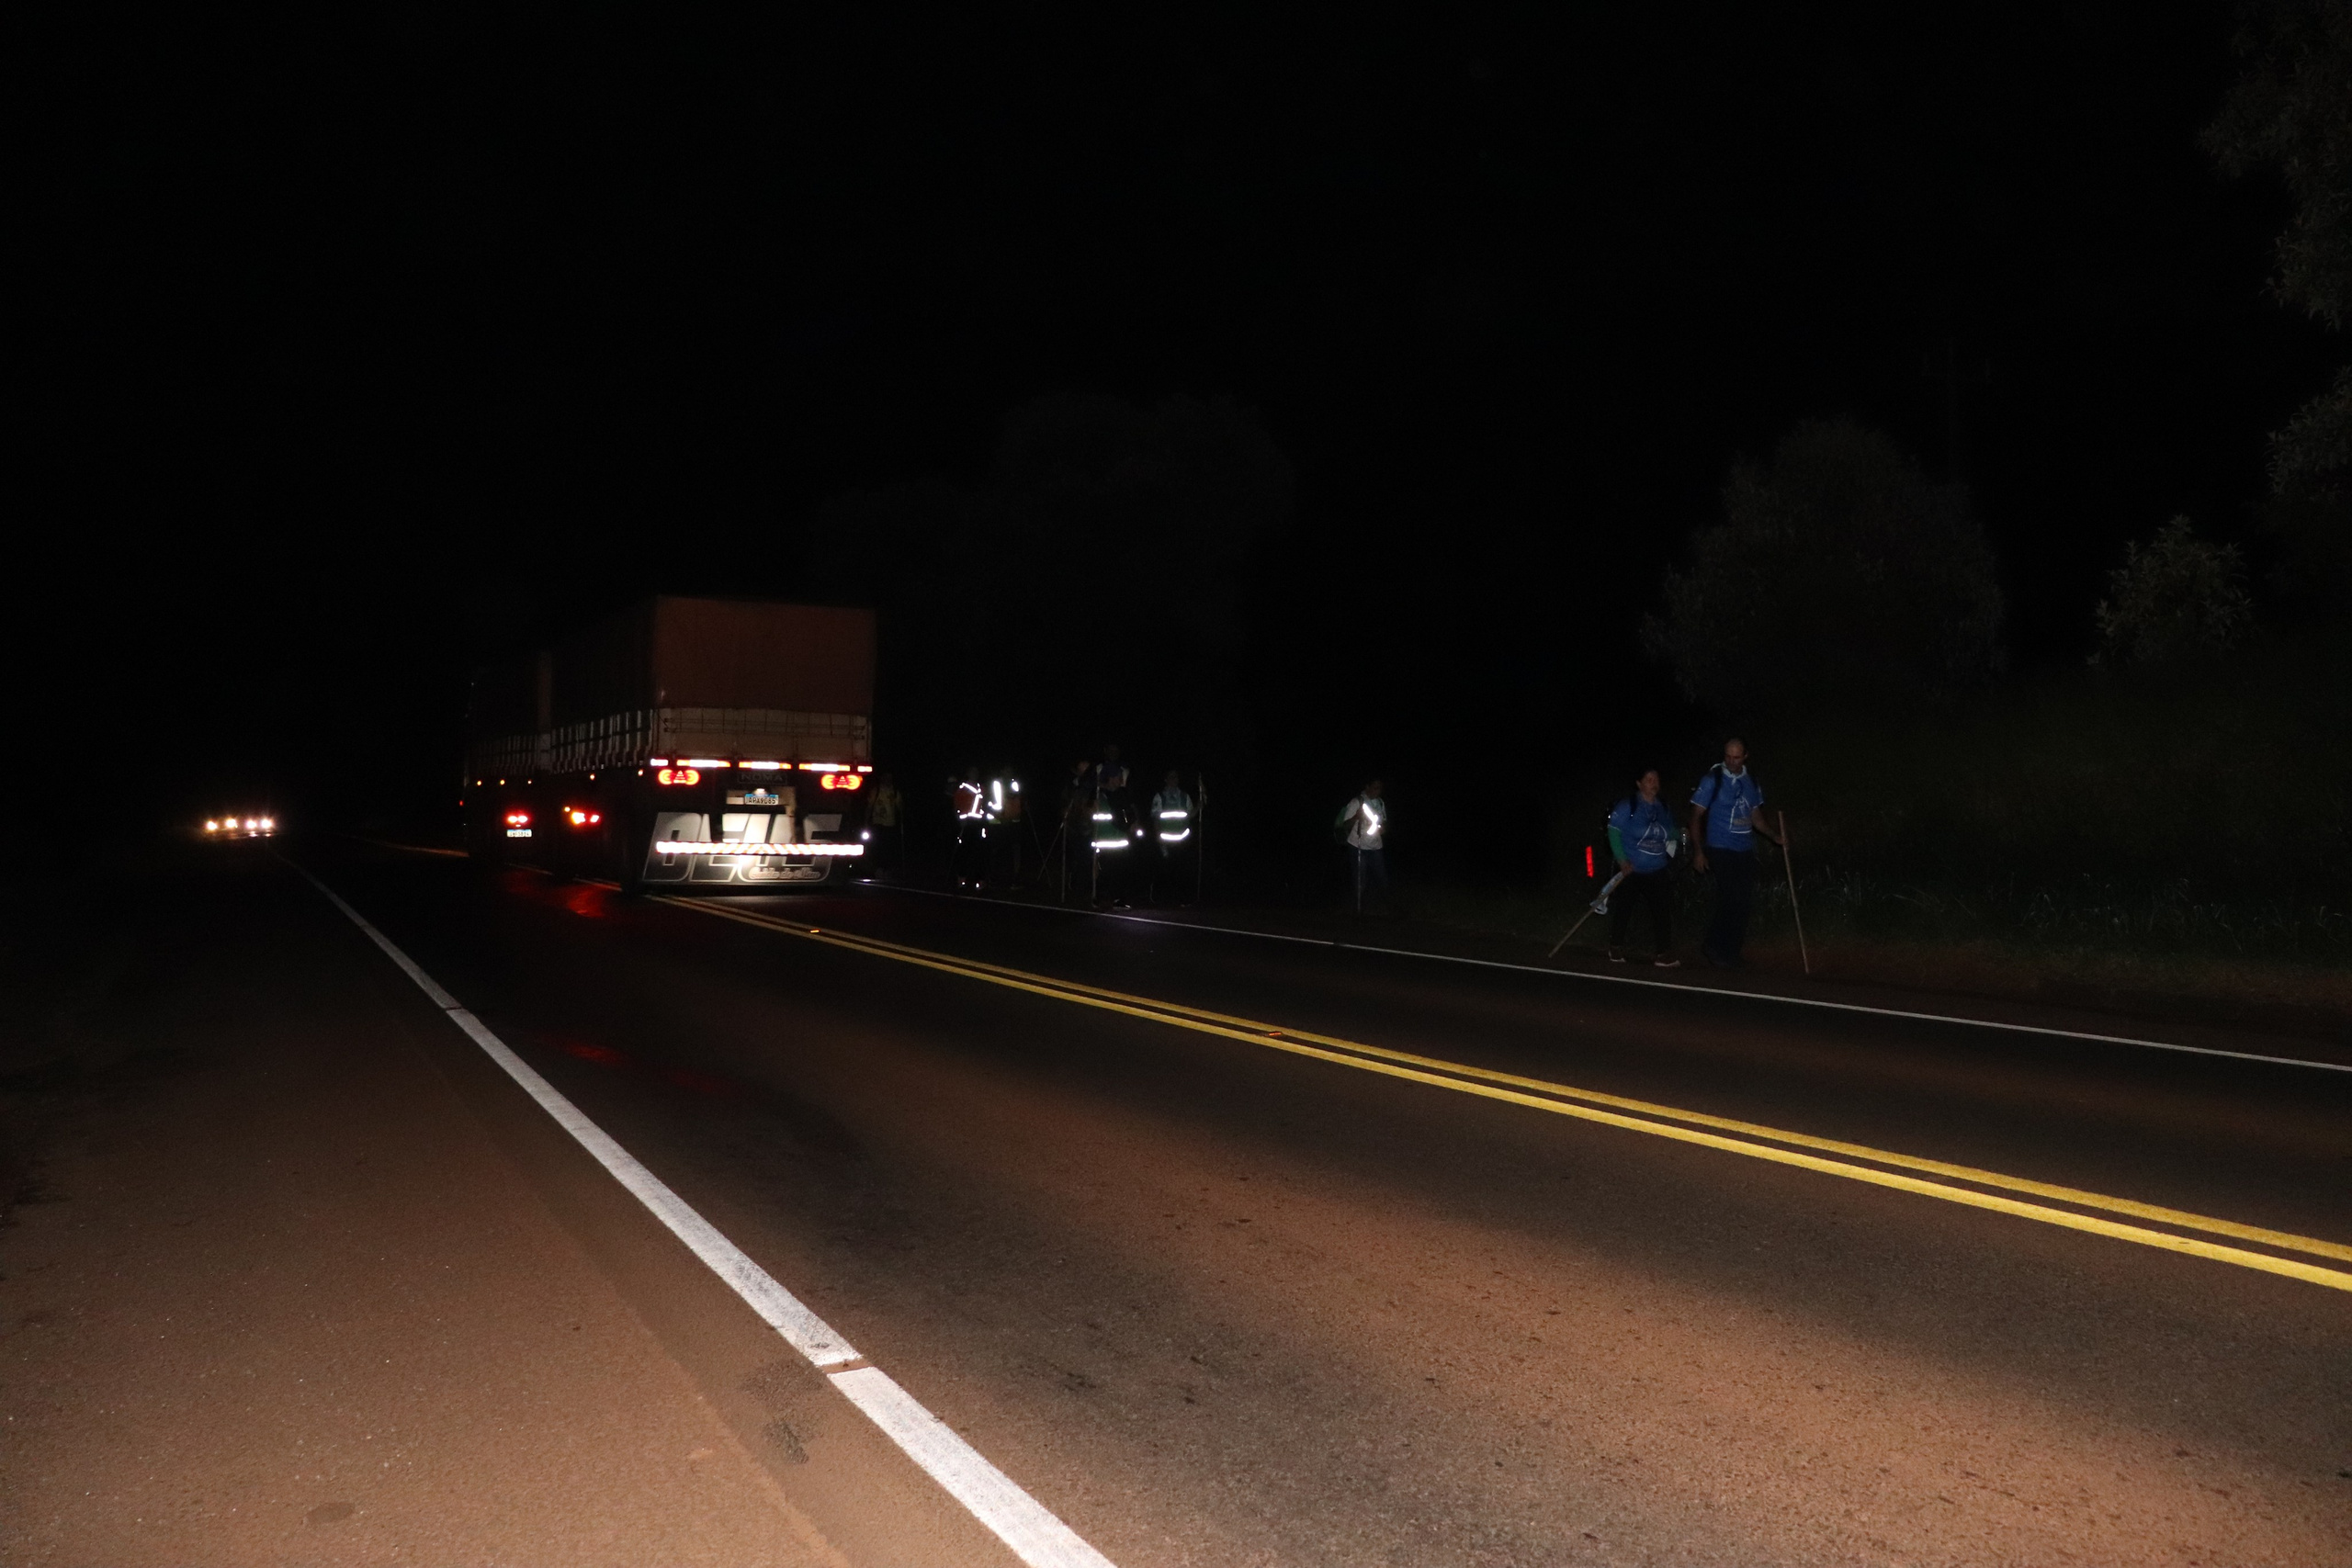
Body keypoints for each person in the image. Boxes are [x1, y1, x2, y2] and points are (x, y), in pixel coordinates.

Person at [1690, 737, 1781, 966]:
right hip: (1720, 846)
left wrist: (1774, 836)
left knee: (1744, 902)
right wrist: (1699, 851)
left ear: (1745, 756)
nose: (1731, 761)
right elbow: (1696, 817)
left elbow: (1756, 818)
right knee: (1730, 897)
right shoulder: (1713, 780)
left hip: (1744, 848)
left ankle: (1731, 952)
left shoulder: (1751, 782)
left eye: (1736, 757)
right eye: (1728, 756)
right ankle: (1713, 945)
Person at [1606, 768, 1680, 967]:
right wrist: (1622, 860)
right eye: (1649, 779)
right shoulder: (1627, 806)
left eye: (1656, 779)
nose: (1654, 783)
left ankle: (1663, 953)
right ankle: (1615, 946)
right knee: (1624, 909)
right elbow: (1613, 831)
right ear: (1639, 783)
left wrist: (1681, 834)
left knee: (1661, 911)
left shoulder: (1662, 806)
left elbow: (1669, 832)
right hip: (1632, 868)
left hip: (1657, 868)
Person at [1336, 778, 1389, 912]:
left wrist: (1383, 829)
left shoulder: (1380, 803)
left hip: (1376, 846)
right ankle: (1359, 909)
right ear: (1368, 787)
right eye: (1375, 787)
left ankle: (1385, 906)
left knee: (1381, 877)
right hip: (1357, 845)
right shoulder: (1357, 802)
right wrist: (1356, 817)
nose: (1378, 791)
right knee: (1360, 879)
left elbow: (1383, 823)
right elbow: (1345, 825)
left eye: (1380, 788)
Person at [1148, 768, 1195, 905]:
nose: (1173, 780)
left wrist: (1200, 805)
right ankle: (1159, 896)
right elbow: (1156, 818)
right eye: (1171, 777)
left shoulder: (1184, 796)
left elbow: (1190, 814)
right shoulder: (1160, 797)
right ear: (1166, 780)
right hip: (1165, 840)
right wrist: (1157, 837)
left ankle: (1181, 898)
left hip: (1181, 840)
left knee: (1181, 870)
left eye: (1176, 777)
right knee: (1164, 870)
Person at [950, 764, 991, 890]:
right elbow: (956, 806)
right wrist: (959, 819)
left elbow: (986, 804)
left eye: (976, 772)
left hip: (979, 824)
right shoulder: (962, 789)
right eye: (972, 772)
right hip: (967, 824)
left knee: (979, 852)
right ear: (968, 773)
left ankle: (979, 880)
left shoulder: (982, 788)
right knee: (964, 852)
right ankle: (962, 878)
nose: (975, 774)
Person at [865, 772, 903, 876]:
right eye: (886, 777)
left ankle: (886, 868)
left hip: (890, 823)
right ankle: (878, 868)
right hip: (877, 823)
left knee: (888, 847)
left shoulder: (894, 791)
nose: (888, 779)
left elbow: (900, 807)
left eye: (890, 777)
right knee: (878, 846)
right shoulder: (876, 790)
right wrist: (866, 821)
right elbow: (869, 806)